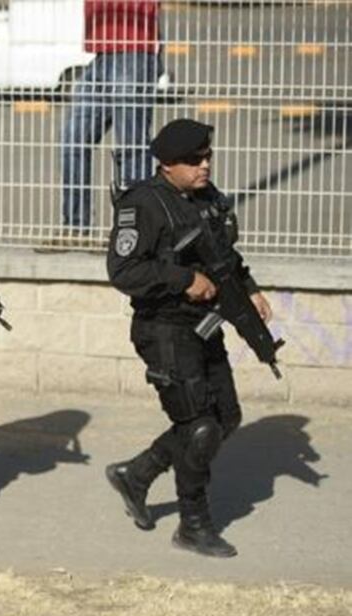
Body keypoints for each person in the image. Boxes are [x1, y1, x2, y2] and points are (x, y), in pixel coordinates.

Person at [105, 118, 272, 558]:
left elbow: (224, 255)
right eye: (194, 160)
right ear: (166, 165)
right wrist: (183, 280)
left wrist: (249, 288)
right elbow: (123, 271)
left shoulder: (208, 199)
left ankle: (137, 474)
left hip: (205, 324)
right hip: (163, 327)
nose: (205, 165)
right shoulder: (142, 204)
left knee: (225, 417)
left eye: (207, 156)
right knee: (199, 429)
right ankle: (193, 525)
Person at [54, 0, 161, 250]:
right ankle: (76, 227)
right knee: (73, 139)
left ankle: (134, 233)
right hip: (104, 52)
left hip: (134, 45)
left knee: (131, 146)